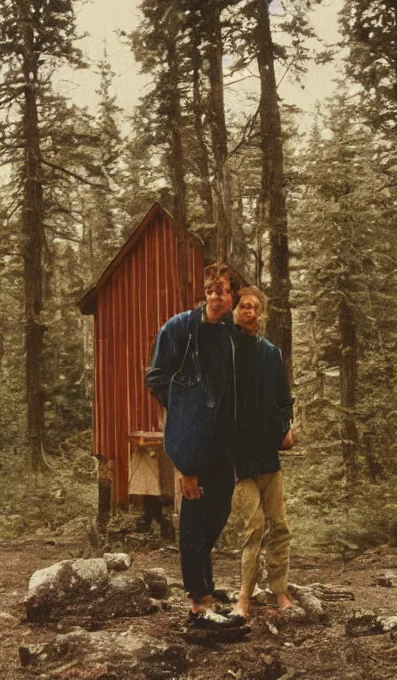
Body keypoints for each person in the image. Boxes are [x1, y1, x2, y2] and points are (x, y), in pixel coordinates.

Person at [146, 262, 244, 630]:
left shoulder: (232, 335)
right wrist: (183, 406)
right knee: (193, 518)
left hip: (225, 443)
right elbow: (156, 377)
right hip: (194, 441)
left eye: (223, 290)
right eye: (211, 290)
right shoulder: (181, 329)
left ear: (233, 295)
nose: (217, 297)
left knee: (217, 512)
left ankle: (206, 589)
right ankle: (197, 603)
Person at [227, 286, 295, 619]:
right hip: (240, 458)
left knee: (279, 525)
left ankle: (278, 590)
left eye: (254, 306)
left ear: (261, 312)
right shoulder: (225, 350)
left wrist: (286, 427)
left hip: (268, 454)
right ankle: (244, 596)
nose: (249, 311)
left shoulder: (270, 353)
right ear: (235, 310)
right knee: (253, 527)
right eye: (244, 306)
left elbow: (283, 398)